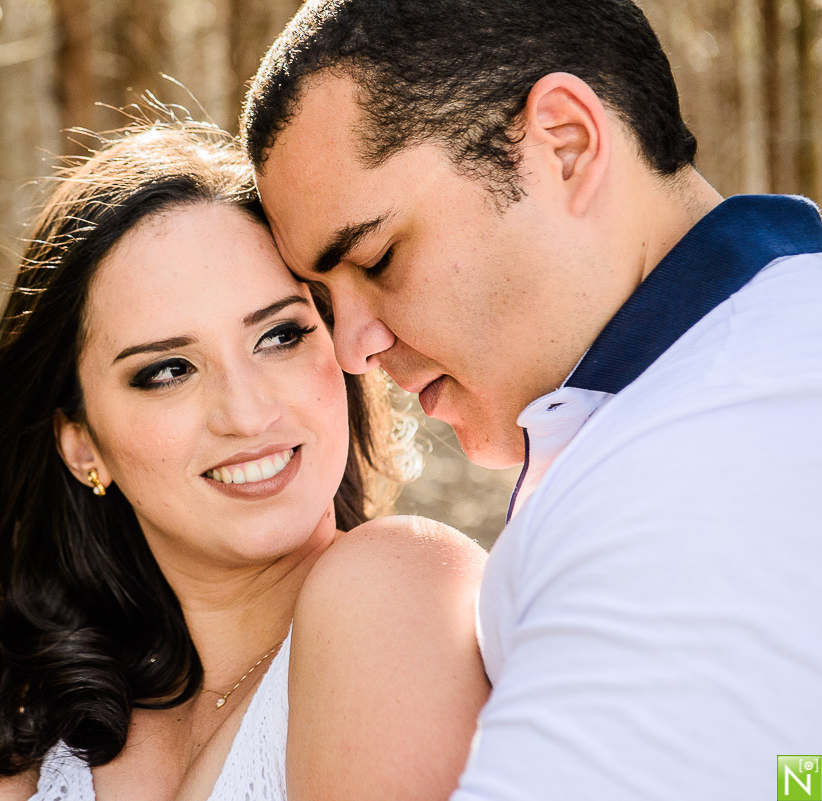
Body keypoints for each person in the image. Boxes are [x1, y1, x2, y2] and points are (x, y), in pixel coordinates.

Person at [242, 1, 822, 799]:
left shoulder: (696, 465)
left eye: (377, 258)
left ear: (564, 144)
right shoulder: (745, 368)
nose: (352, 350)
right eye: (323, 299)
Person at [0, 121, 488, 801]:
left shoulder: (397, 584)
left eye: (280, 335)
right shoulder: (39, 741)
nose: (246, 413)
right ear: (82, 445)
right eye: (169, 370)